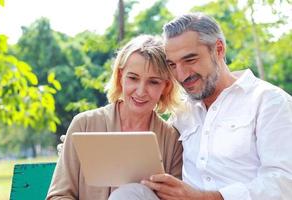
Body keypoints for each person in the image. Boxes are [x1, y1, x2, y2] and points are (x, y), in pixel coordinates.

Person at [109, 13, 292, 200]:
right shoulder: (182, 112)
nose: (181, 75)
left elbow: (284, 183)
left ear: (218, 50)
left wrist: (205, 197)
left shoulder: (269, 101)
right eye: (172, 64)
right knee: (128, 194)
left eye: (190, 60)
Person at [46, 35, 184, 200]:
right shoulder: (84, 125)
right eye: (133, 78)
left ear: (166, 86)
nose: (141, 91)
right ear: (120, 77)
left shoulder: (171, 140)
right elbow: (58, 196)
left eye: (153, 82)